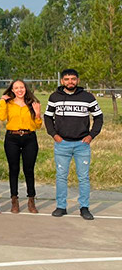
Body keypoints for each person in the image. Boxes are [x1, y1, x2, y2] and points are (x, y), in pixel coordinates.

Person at [44, 69, 103, 220]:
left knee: (83, 177)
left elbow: (99, 117)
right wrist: (54, 135)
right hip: (62, 144)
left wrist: (91, 136)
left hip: (82, 144)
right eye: (67, 79)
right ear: (62, 81)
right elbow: (47, 118)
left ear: (77, 80)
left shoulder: (87, 97)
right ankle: (61, 206)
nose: (70, 82)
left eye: (73, 79)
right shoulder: (54, 97)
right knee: (61, 176)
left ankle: (84, 207)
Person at [0, 79, 43, 214]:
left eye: (22, 87)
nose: (19, 90)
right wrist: (2, 101)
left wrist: (37, 113)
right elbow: (2, 117)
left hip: (29, 138)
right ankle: (14, 200)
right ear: (12, 90)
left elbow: (38, 125)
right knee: (14, 169)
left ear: (25, 88)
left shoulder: (32, 104)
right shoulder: (9, 103)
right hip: (12, 138)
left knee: (29, 170)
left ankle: (31, 199)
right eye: (16, 88)